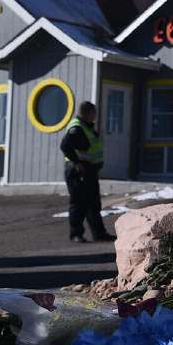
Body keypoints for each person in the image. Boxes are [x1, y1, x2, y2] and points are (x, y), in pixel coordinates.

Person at [60, 101, 115, 243]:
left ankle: (99, 233)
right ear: (87, 113)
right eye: (94, 113)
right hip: (78, 171)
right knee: (78, 203)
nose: (95, 116)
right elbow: (65, 145)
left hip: (89, 170)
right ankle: (76, 234)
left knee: (93, 203)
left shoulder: (86, 127)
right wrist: (77, 163)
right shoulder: (77, 128)